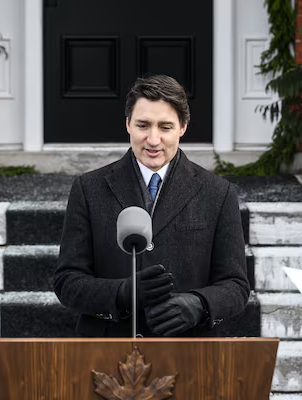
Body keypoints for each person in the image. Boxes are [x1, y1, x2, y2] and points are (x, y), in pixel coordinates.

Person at [53, 74, 249, 337]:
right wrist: (120, 293)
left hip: (190, 355)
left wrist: (200, 304)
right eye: (143, 125)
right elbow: (67, 282)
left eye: (165, 127)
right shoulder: (89, 189)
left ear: (183, 127)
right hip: (108, 352)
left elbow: (236, 285)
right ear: (128, 125)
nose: (153, 140)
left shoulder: (218, 193)